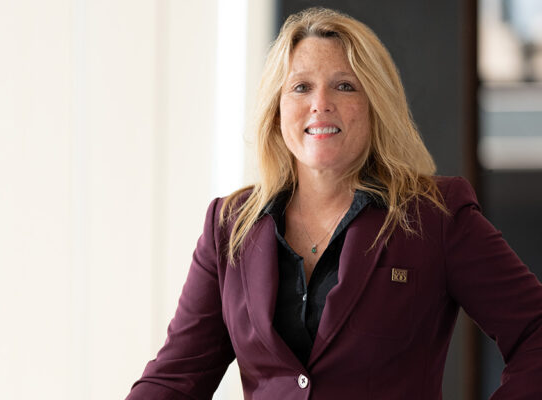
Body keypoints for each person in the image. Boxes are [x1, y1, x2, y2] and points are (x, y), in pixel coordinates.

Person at [125, 7, 542, 399]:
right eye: (301, 87)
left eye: (344, 85)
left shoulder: (435, 215)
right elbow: (176, 378)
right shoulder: (230, 226)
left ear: (375, 104)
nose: (320, 103)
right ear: (277, 109)